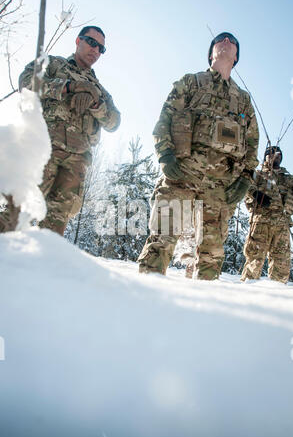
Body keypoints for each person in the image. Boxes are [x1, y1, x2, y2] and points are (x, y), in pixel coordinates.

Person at [138, 32, 259, 279]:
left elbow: (252, 142)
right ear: (211, 52)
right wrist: (165, 156)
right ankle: (144, 298)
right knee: (163, 237)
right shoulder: (191, 83)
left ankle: (205, 308)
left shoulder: (243, 101)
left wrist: (246, 178)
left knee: (212, 253)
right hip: (182, 172)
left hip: (220, 186)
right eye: (220, 40)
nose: (226, 42)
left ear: (236, 57)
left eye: (232, 42)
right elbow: (165, 119)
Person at [0, 26, 120, 235]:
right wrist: (68, 87)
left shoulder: (99, 89)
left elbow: (114, 122)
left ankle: (39, 267)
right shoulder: (54, 64)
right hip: (43, 150)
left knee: (54, 227)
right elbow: (26, 83)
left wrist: (95, 102)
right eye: (92, 43)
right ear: (78, 40)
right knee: (17, 213)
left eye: (101, 48)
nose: (96, 50)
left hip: (76, 163)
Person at [241, 146, 293, 283]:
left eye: (279, 155)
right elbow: (244, 186)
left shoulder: (289, 179)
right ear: (266, 156)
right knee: (254, 259)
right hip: (260, 222)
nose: (276, 157)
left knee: (281, 263)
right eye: (272, 154)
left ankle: (277, 294)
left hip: (282, 225)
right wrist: (255, 194)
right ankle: (246, 291)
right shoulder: (257, 174)